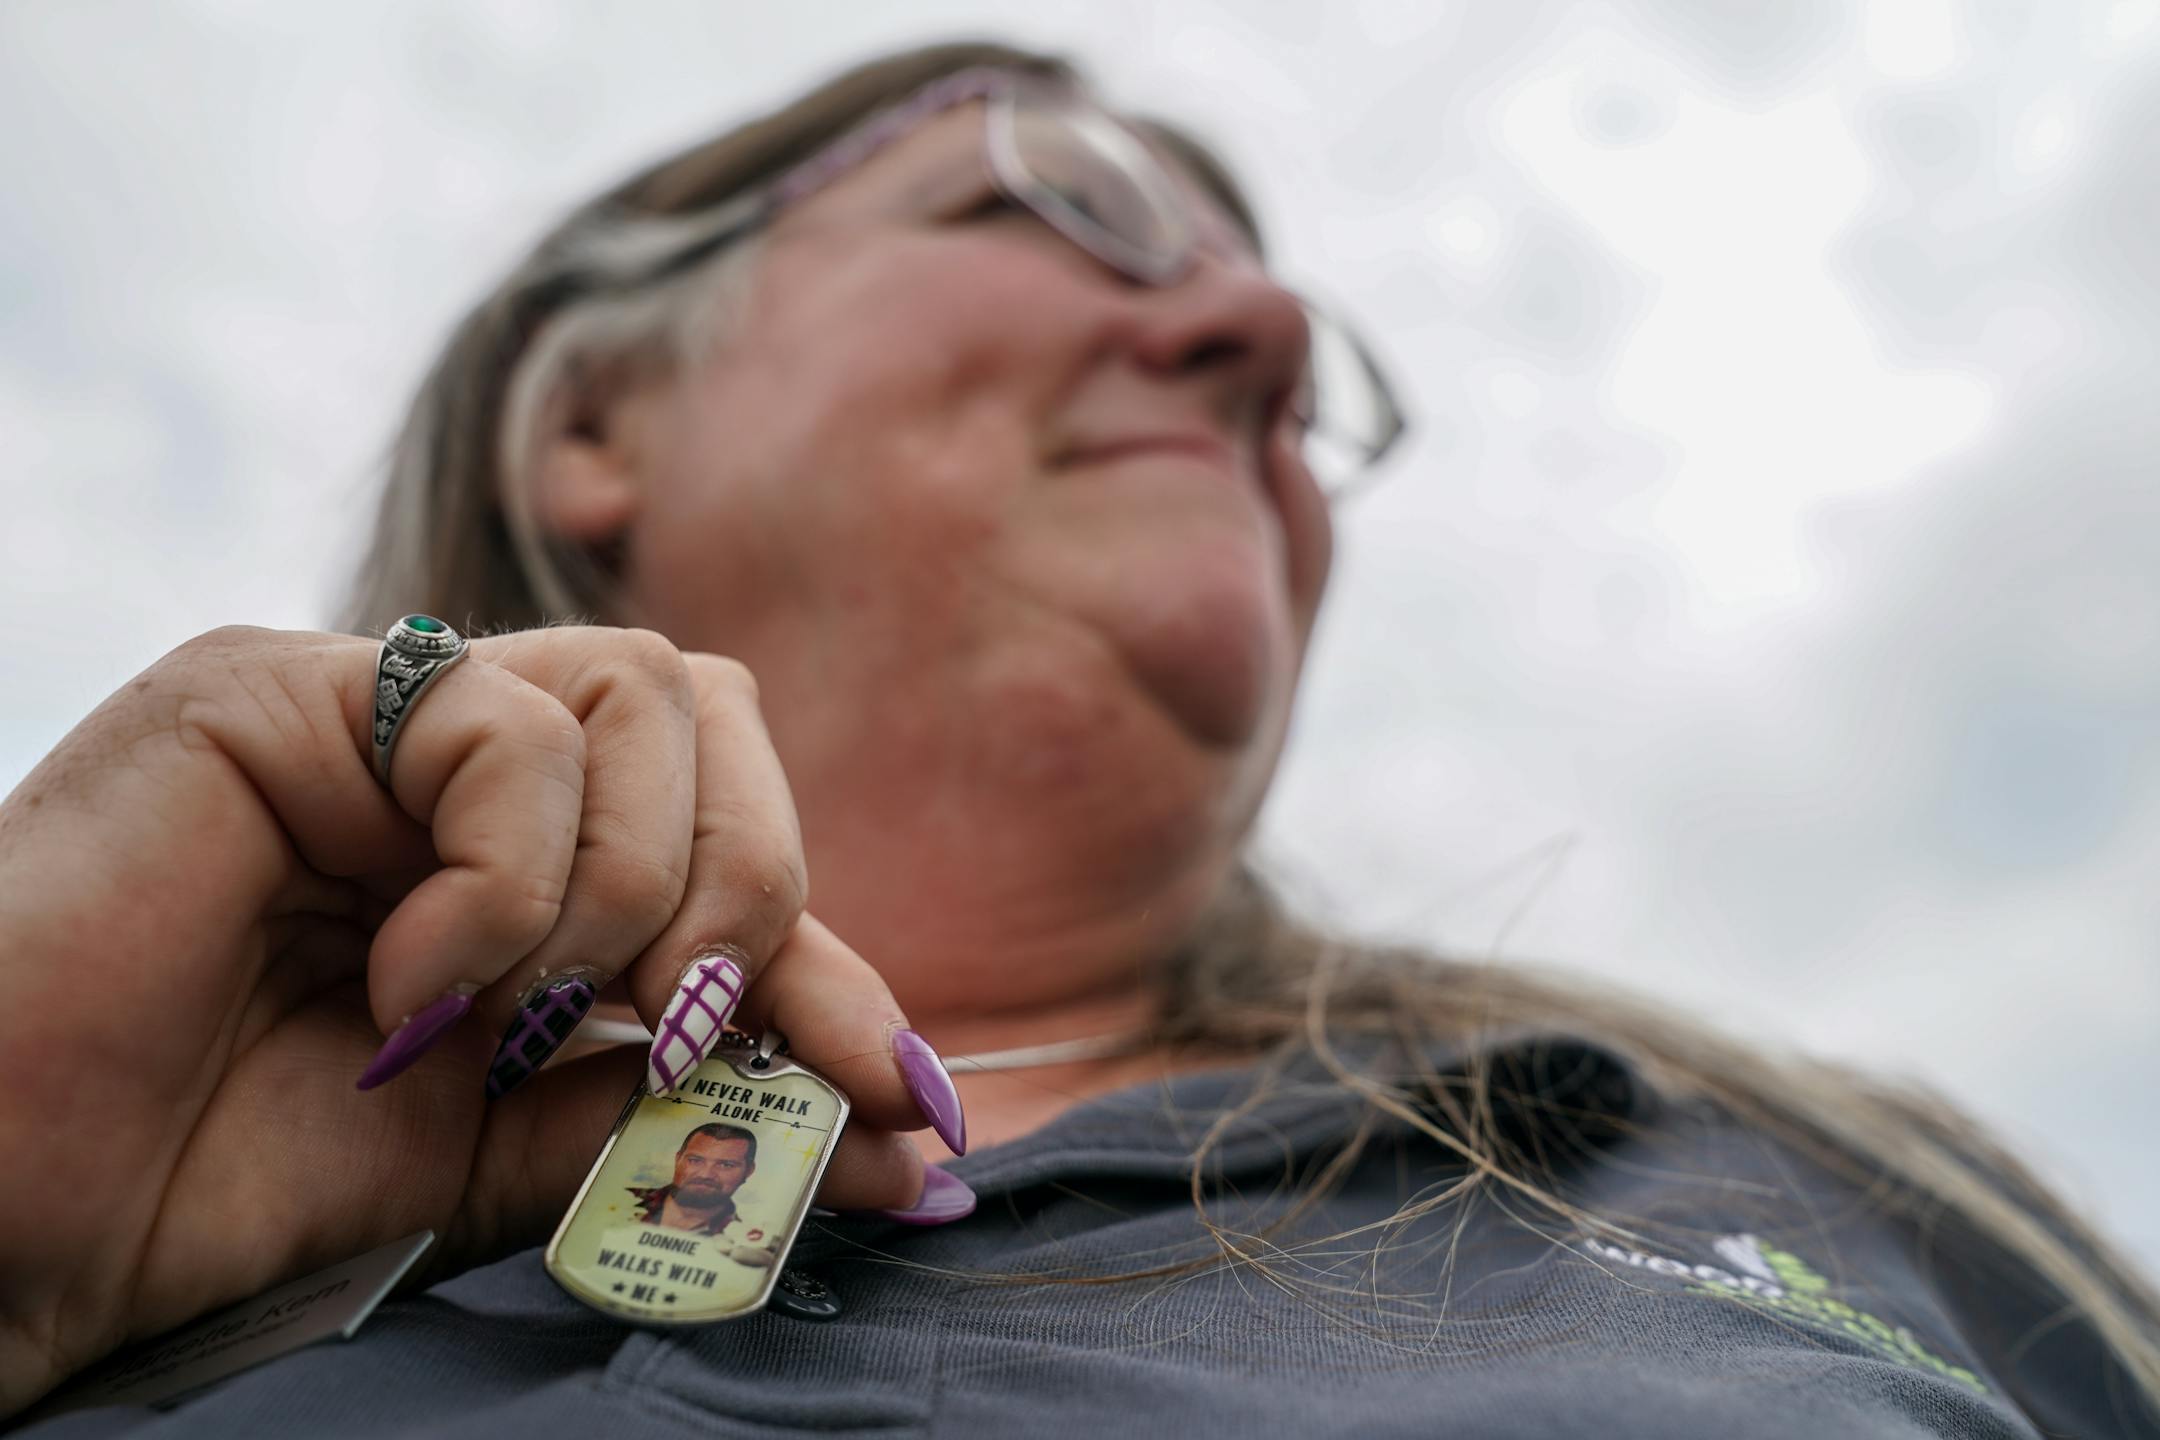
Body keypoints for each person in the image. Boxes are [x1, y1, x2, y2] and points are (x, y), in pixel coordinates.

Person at [0, 36, 2155, 1438]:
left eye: (1311, 381)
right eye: (1062, 203)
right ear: (591, 419)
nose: (1265, 334)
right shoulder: (175, 1090)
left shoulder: (1828, 1175)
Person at [635, 1125, 760, 1238]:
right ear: (678, 1159)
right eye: (695, 1160)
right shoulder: (622, 1200)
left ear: (748, 1171)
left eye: (725, 1165)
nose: (705, 1174)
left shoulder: (745, 1241)